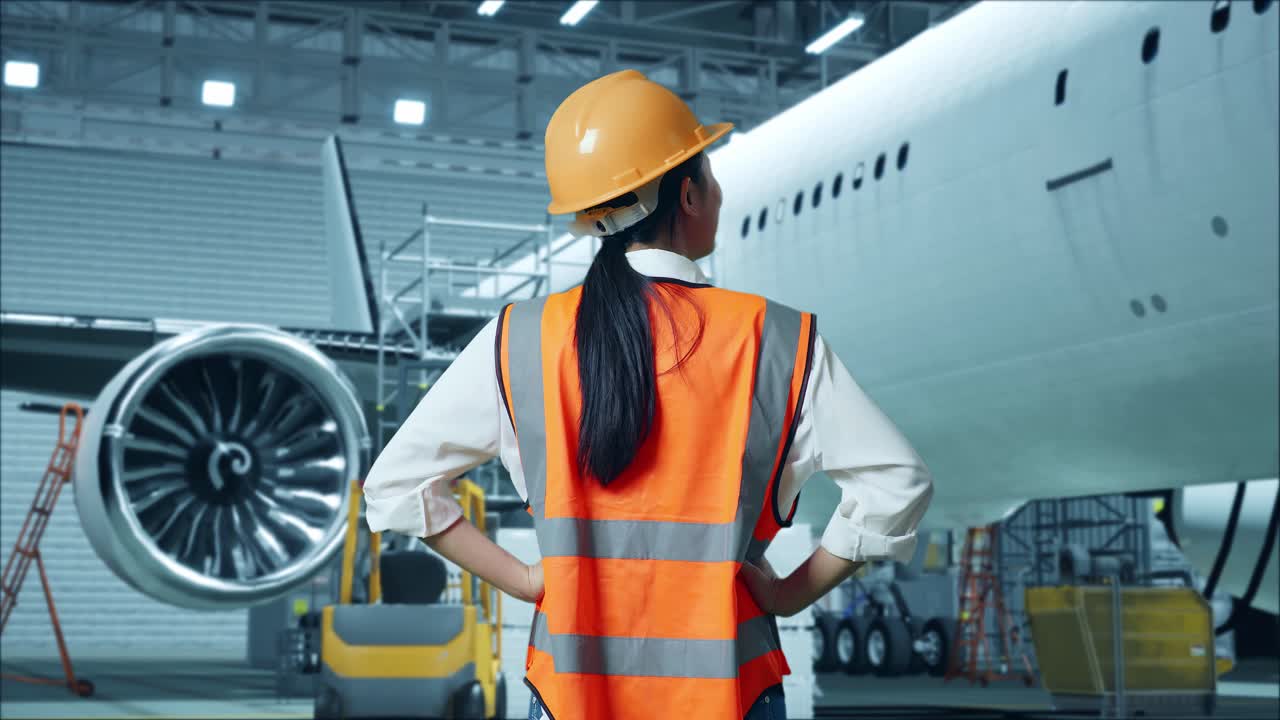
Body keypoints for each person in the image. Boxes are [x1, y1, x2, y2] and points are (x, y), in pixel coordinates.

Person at [363, 69, 933, 720]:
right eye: (711, 176)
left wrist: (524, 581)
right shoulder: (775, 339)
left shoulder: (520, 340)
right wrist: (788, 595)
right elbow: (898, 485)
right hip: (731, 696)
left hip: (572, 695)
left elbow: (395, 488)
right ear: (688, 195)